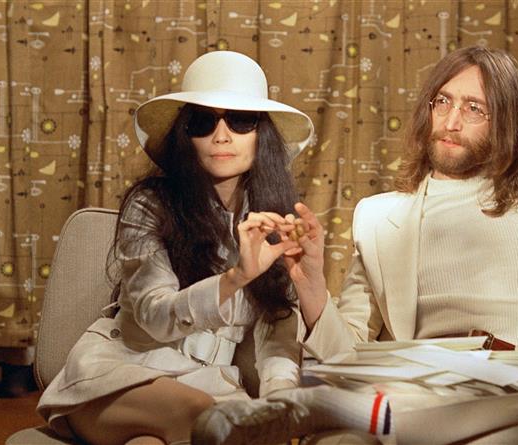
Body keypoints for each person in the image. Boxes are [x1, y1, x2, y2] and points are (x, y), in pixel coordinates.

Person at [194, 46, 518, 445]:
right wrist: (311, 282)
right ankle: (359, 413)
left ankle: (325, 411)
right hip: (422, 382)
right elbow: (344, 352)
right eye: (443, 102)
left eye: (474, 109)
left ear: (504, 122)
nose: (451, 121)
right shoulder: (379, 218)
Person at [36, 51, 316, 445]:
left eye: (240, 121)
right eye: (203, 122)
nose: (222, 136)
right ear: (185, 135)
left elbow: (278, 325)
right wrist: (236, 277)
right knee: (205, 416)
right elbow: (154, 315)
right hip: (121, 377)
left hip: (211, 386)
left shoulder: (276, 218)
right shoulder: (150, 204)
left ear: (262, 134)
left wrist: (280, 400)